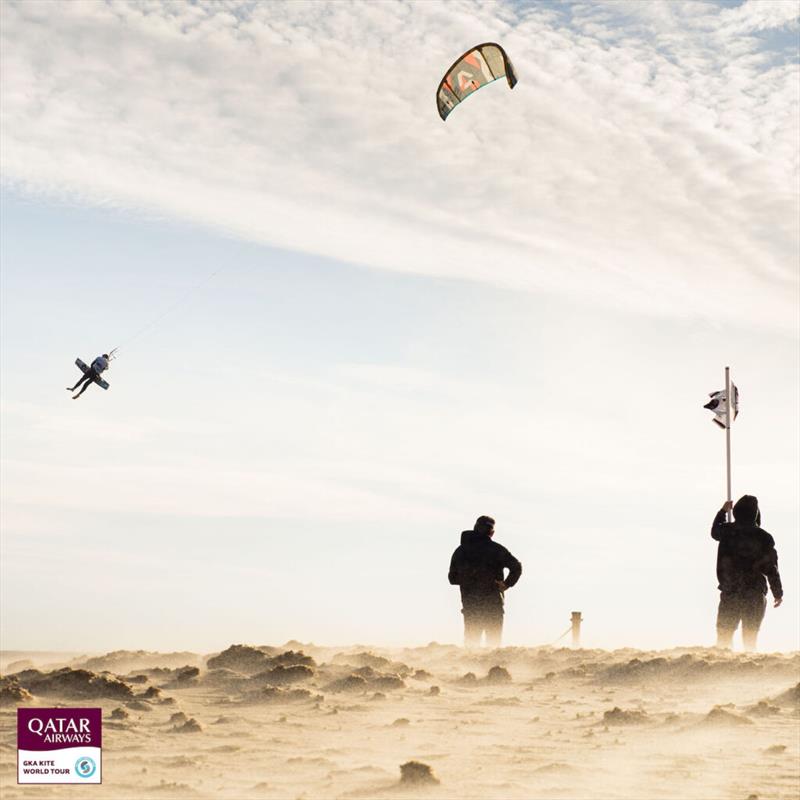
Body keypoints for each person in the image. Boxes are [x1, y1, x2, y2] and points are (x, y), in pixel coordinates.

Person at [711, 495, 783, 651]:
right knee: (749, 638)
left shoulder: (727, 531)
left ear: (736, 511)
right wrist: (777, 592)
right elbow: (771, 568)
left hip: (731, 590)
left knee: (724, 636)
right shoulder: (764, 537)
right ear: (756, 513)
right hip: (754, 593)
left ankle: (722, 669)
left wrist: (723, 511)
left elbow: (714, 532)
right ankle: (747, 669)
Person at [448, 515, 522, 648]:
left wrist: (470, 579)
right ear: (492, 533)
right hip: (493, 604)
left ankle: (470, 668)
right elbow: (516, 567)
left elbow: (452, 579)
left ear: (475, 529)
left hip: (471, 605)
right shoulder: (496, 550)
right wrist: (506, 584)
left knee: (471, 647)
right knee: (493, 647)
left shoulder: (461, 551)